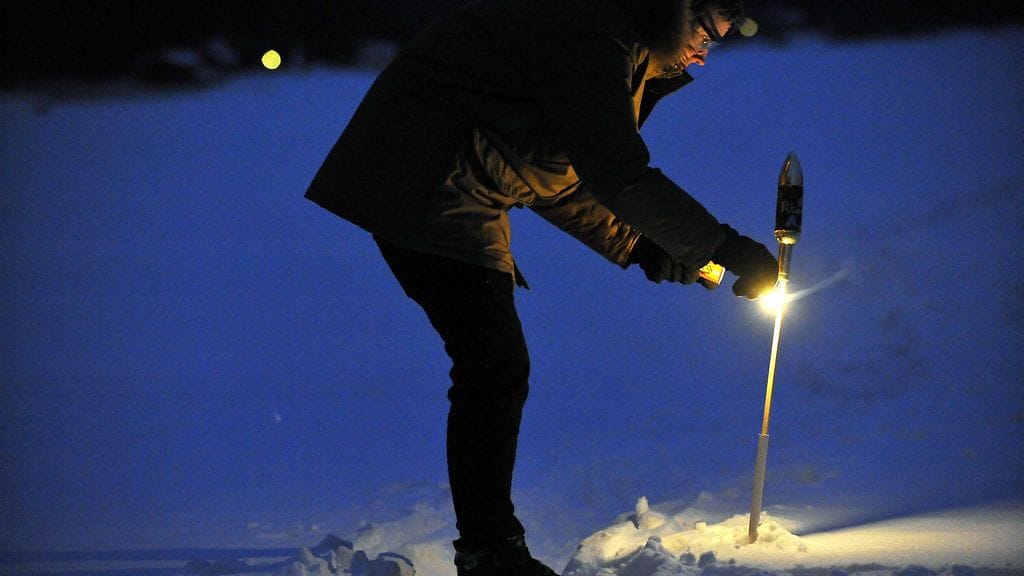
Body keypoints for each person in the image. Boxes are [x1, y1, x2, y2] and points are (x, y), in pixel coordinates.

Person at [305, 0, 778, 573]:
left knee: (494, 365)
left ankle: (490, 550)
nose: (703, 55)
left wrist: (641, 245)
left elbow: (555, 171)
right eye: (705, 33)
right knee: (493, 365)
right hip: (424, 173)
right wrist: (721, 246)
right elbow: (615, 171)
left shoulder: (615, 42)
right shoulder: (594, 30)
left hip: (457, 177)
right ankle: (491, 554)